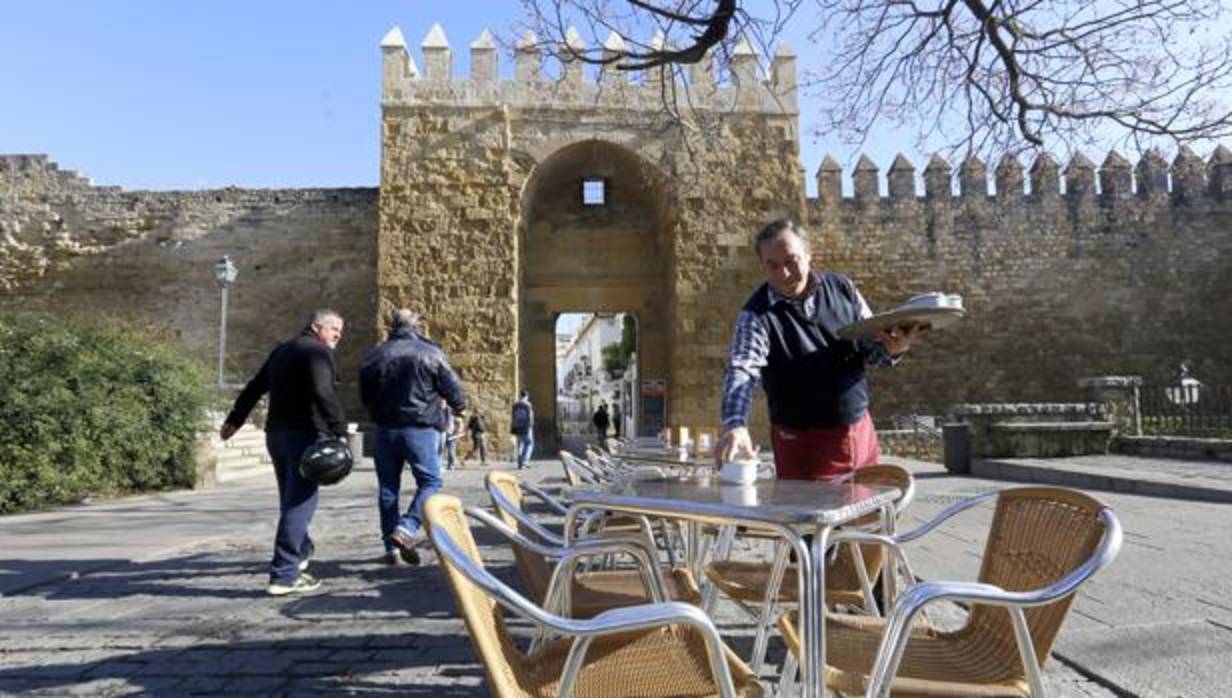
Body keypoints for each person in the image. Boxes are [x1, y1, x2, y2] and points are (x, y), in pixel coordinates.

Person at [716, 220, 926, 481]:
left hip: (859, 432)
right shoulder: (756, 315)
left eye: (791, 261)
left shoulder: (843, 288)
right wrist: (735, 423)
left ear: (808, 254)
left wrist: (894, 349)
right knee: (808, 508)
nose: (783, 273)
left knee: (869, 505)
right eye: (772, 265)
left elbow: (871, 349)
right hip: (801, 446)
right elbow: (742, 368)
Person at [221, 308, 347, 596]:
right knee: (300, 505)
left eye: (340, 332)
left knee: (290, 501)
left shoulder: (282, 351)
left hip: (277, 436)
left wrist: (235, 419)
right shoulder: (317, 351)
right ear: (317, 327)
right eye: (334, 330)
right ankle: (284, 574)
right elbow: (323, 392)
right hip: (305, 436)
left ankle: (300, 550)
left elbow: (255, 387)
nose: (338, 336)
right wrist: (340, 429)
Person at [359, 309, 466, 566]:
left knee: (388, 489)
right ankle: (406, 527)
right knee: (431, 481)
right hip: (420, 428)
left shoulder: (375, 355)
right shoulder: (431, 353)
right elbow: (452, 388)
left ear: (392, 325)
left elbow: (365, 395)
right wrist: (459, 407)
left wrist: (377, 411)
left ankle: (391, 548)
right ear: (416, 326)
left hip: (385, 429)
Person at [510, 390, 534, 470]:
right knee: (529, 443)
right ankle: (525, 460)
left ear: (520, 395)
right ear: (526, 396)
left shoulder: (515, 405)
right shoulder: (528, 404)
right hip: (526, 427)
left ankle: (520, 462)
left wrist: (513, 428)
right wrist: (531, 425)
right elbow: (530, 416)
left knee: (520, 445)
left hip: (517, 427)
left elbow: (513, 416)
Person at [441, 404, 464, 470]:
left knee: (451, 450)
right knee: (440, 450)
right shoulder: (441, 412)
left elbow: (460, 423)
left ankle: (451, 464)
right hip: (443, 432)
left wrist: (458, 432)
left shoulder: (454, 414)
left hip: (452, 434)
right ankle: (440, 465)